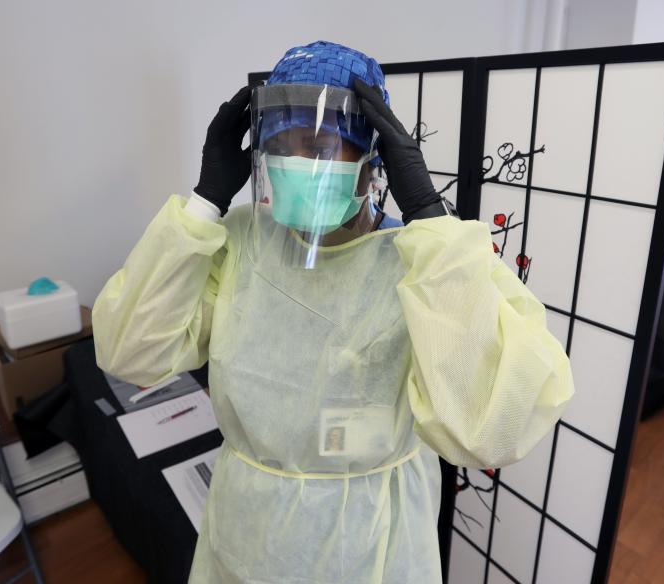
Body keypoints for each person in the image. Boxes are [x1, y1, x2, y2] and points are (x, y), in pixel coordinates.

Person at [92, 40, 574, 584]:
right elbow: (130, 351)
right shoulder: (241, 244)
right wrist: (206, 200)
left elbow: (489, 430)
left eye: (320, 145)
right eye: (281, 144)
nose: (298, 163)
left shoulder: (432, 267)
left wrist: (428, 219)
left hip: (375, 545)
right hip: (249, 535)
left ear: (371, 160)